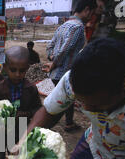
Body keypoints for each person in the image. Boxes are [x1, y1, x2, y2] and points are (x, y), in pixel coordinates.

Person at [0, 46, 42, 159]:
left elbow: (37, 110)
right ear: (5, 67)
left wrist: (23, 114)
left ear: (28, 68)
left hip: (19, 134)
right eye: (13, 70)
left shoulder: (31, 89)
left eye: (22, 71)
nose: (17, 74)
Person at [46, 0, 97, 132]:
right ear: (86, 10)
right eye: (92, 13)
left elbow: (50, 46)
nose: (92, 16)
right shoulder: (78, 27)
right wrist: (55, 63)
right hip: (63, 71)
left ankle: (67, 122)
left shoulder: (64, 25)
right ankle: (55, 124)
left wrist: (52, 58)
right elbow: (65, 49)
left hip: (56, 71)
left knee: (65, 98)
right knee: (63, 99)